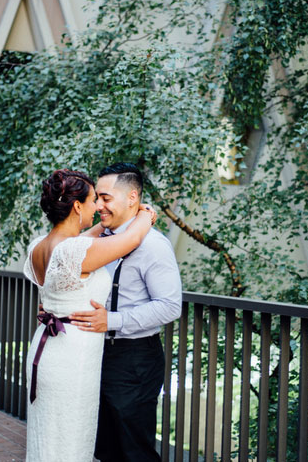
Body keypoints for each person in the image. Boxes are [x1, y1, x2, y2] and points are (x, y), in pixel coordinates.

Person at [22, 169, 156, 462]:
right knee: (71, 439)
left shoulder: (40, 247)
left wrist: (103, 225)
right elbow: (131, 239)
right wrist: (145, 213)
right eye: (94, 200)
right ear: (77, 206)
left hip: (47, 351)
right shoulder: (74, 252)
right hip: (73, 357)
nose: (98, 207)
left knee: (48, 435)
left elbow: (82, 241)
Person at [69, 163, 182, 461]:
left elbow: (170, 306)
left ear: (132, 198)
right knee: (105, 446)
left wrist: (113, 321)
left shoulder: (154, 246)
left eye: (106, 198)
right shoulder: (102, 239)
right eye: (98, 199)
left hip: (134, 359)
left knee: (135, 449)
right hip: (96, 354)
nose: (99, 206)